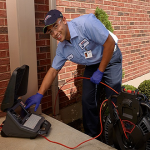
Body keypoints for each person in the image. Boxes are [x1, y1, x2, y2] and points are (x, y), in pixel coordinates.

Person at [25, 9, 122, 138]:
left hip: (110, 56)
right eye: (50, 31)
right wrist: (39, 94)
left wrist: (100, 71)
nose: (55, 33)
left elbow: (109, 44)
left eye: (55, 26)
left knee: (113, 100)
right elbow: (53, 71)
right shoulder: (62, 49)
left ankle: (121, 136)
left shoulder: (86, 24)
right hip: (92, 64)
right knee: (87, 100)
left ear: (64, 20)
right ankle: (93, 137)